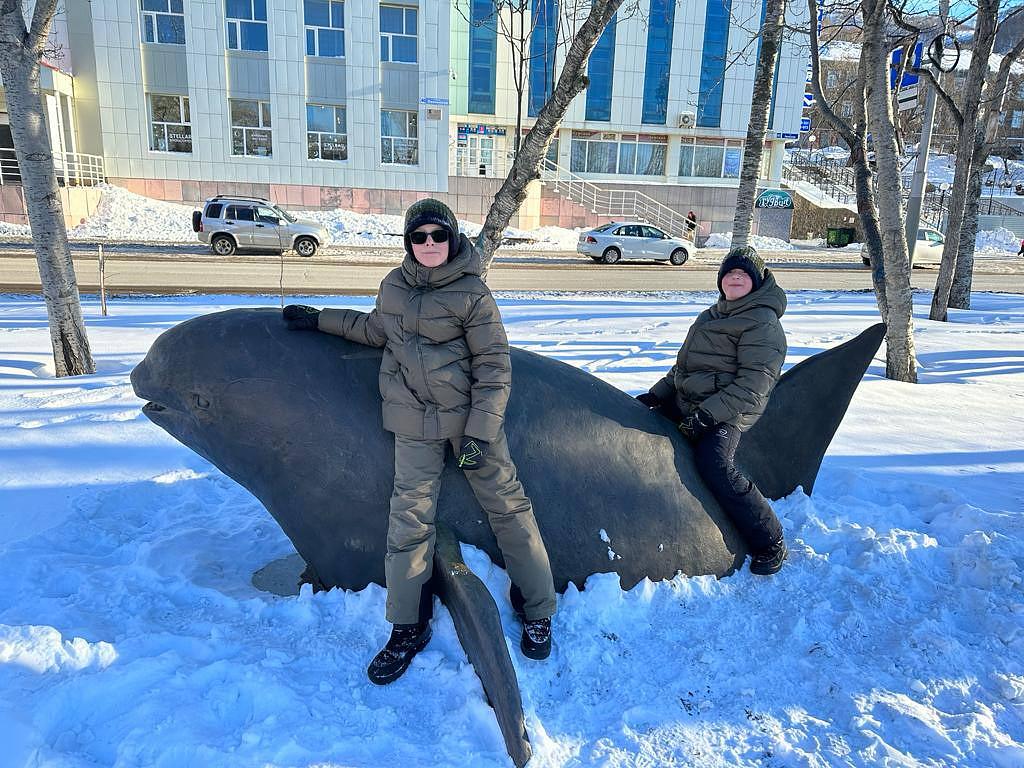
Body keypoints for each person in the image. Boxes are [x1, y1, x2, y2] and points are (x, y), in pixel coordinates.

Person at [282, 199, 557, 685]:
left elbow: (495, 368)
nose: (429, 243)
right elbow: (374, 330)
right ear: (409, 242)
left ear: (452, 238)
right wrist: (319, 318)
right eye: (419, 236)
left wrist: (480, 433)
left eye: (437, 235)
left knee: (508, 508)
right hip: (413, 422)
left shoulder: (473, 293)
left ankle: (537, 607)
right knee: (408, 520)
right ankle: (407, 625)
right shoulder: (394, 285)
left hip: (470, 422)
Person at [636, 245, 788, 575]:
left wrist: (707, 416)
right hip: (690, 402)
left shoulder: (763, 323)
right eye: (730, 273)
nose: (735, 278)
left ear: (757, 282)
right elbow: (684, 368)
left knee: (714, 465)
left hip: (729, 412)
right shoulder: (711, 315)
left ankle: (770, 539)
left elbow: (753, 384)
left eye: (743, 274)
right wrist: (656, 395)